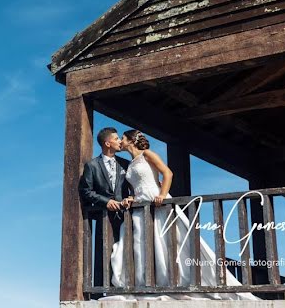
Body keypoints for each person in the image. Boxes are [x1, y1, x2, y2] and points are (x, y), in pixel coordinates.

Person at [100, 129, 260, 301]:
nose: (120, 141)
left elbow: (167, 173)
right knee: (142, 245)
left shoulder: (147, 154)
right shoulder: (131, 164)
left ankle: (181, 281)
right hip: (141, 207)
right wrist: (132, 197)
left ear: (131, 141)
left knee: (172, 241)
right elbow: (137, 185)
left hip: (158, 202)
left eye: (122, 138)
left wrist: (162, 194)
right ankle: (145, 284)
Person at [78, 127, 133, 288]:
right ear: (107, 143)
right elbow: (85, 190)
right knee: (104, 253)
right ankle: (102, 290)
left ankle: (127, 286)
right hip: (104, 217)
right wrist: (105, 202)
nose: (119, 141)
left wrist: (131, 197)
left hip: (126, 216)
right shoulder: (92, 166)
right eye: (116, 139)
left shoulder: (125, 164)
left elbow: (133, 187)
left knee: (127, 251)